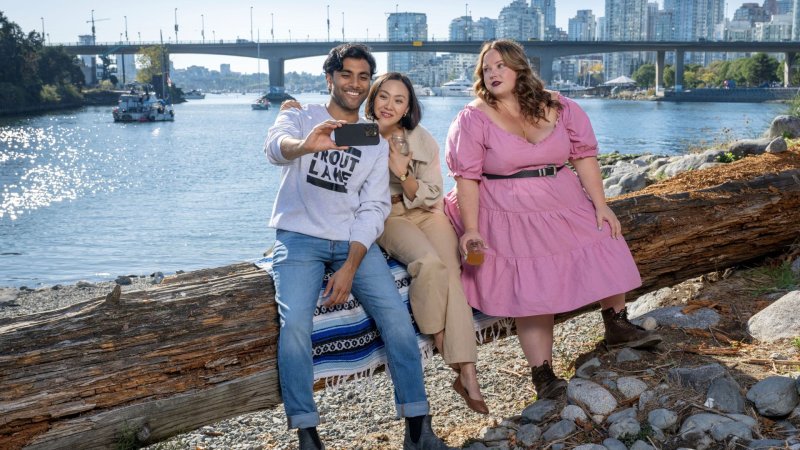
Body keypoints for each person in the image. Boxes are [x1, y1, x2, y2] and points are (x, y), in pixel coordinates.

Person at [442, 39, 663, 401]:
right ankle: (543, 373)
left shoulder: (559, 106)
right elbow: (466, 177)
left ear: (519, 68)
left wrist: (601, 204)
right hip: (504, 205)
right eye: (487, 68)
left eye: (500, 66)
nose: (493, 73)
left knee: (603, 239)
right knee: (531, 288)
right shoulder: (473, 117)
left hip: (562, 194)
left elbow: (584, 157)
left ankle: (617, 323)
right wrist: (471, 228)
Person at [265, 43, 454, 450]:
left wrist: (351, 264)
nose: (355, 84)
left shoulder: (369, 136)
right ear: (329, 77)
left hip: (352, 242)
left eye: (363, 77)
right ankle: (307, 434)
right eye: (346, 75)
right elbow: (274, 148)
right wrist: (304, 146)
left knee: (398, 326)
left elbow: (373, 206)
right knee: (295, 324)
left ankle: (419, 431)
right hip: (298, 239)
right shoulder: (302, 116)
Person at [281, 72, 488, 415]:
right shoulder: (360, 132)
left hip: (425, 213)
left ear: (408, 107)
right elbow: (315, 137)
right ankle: (439, 338)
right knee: (429, 264)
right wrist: (293, 109)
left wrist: (404, 174)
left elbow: (432, 192)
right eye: (383, 97)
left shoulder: (421, 139)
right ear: (372, 99)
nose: (390, 105)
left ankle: (467, 370)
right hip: (389, 218)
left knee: (453, 274)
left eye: (399, 100)